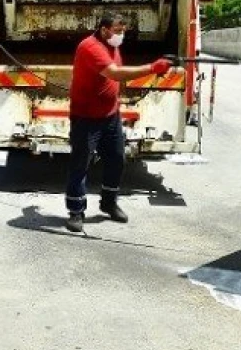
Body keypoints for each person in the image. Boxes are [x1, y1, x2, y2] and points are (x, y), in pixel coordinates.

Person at [64, 14, 174, 234]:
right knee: (81, 165)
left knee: (117, 159)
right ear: (104, 30)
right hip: (86, 118)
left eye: (123, 30)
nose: (121, 35)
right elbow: (114, 73)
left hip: (110, 116)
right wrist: (152, 68)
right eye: (117, 30)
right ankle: (76, 211)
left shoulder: (111, 46)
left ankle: (109, 203)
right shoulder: (90, 47)